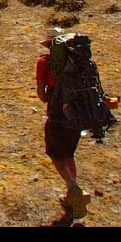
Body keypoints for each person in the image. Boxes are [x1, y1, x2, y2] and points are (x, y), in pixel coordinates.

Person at [37, 31, 91, 220]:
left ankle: (74, 188)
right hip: (78, 113)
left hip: (58, 114)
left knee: (54, 152)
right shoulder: (78, 61)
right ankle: (71, 197)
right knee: (68, 153)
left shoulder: (45, 63)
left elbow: (42, 94)